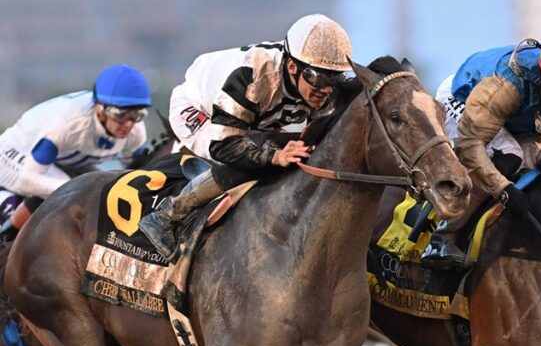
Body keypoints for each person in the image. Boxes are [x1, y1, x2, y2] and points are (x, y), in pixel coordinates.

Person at [138, 13, 353, 261]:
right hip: (199, 111)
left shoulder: (315, 82)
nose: (325, 90)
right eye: (317, 78)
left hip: (255, 116)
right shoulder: (251, 78)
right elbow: (224, 147)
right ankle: (166, 216)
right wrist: (274, 156)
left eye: (335, 78)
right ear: (293, 67)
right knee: (251, 161)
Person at [420, 29, 541, 269]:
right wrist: (504, 189)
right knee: (510, 156)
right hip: (464, 97)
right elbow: (470, 144)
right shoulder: (507, 86)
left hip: (516, 115)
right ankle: (442, 238)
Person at [0, 65, 151, 239]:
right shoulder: (68, 124)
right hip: (17, 156)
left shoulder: (136, 131)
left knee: (106, 187)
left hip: (63, 160)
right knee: (70, 190)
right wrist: (77, 189)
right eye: (121, 115)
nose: (128, 124)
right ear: (99, 108)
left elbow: (138, 180)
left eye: (136, 115)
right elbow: (26, 180)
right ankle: (6, 236)